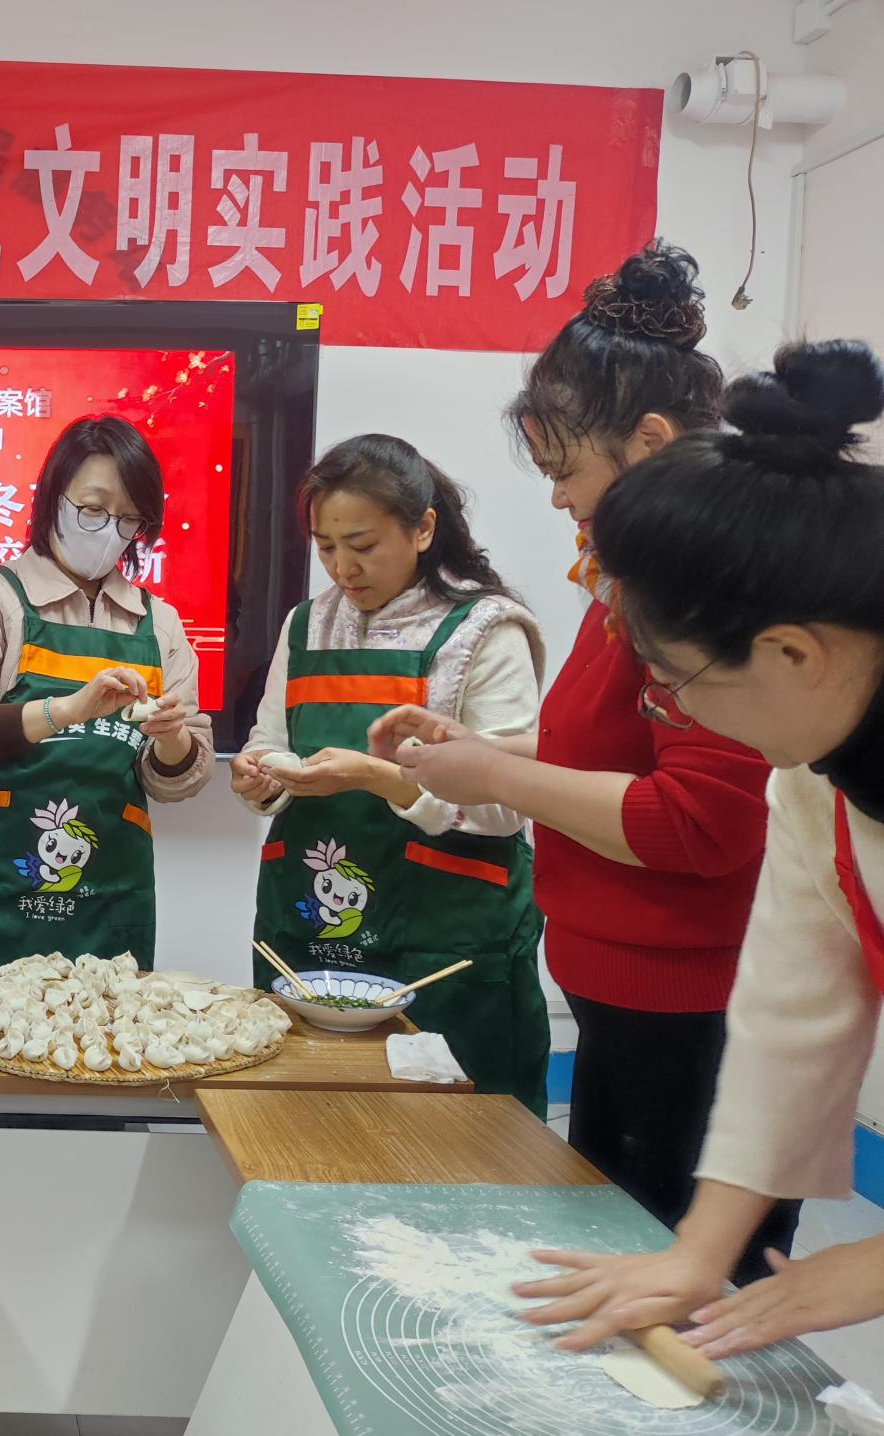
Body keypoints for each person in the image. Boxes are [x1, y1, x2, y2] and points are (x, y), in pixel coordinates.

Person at [370, 241, 798, 1282]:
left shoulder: (709, 583)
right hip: (628, 995)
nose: (559, 500)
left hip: (695, 1011)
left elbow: (695, 819)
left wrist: (496, 778)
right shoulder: (638, 574)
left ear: (649, 442)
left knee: (681, 1292)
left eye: (566, 470)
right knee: (618, 1271)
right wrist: (480, 750)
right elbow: (610, 752)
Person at [513, 340, 884, 1357]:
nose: (668, 711)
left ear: (793, 654)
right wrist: (699, 1248)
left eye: (675, 685)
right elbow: (790, 1013)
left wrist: (870, 1267)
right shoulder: (813, 773)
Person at [230, 434, 550, 1113]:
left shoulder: (484, 630)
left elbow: (505, 806)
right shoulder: (306, 625)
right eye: (325, 546)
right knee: (308, 1125)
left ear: (423, 528)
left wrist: (379, 777)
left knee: (454, 1136)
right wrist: (262, 778)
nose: (342, 568)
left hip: (447, 938)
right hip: (313, 927)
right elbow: (270, 742)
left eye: (363, 545)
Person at [0, 414, 215, 973]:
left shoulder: (159, 625)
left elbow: (177, 779)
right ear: (53, 497)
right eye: (94, 509)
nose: (109, 531)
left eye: (129, 518)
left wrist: (172, 739)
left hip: (108, 904)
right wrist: (65, 712)